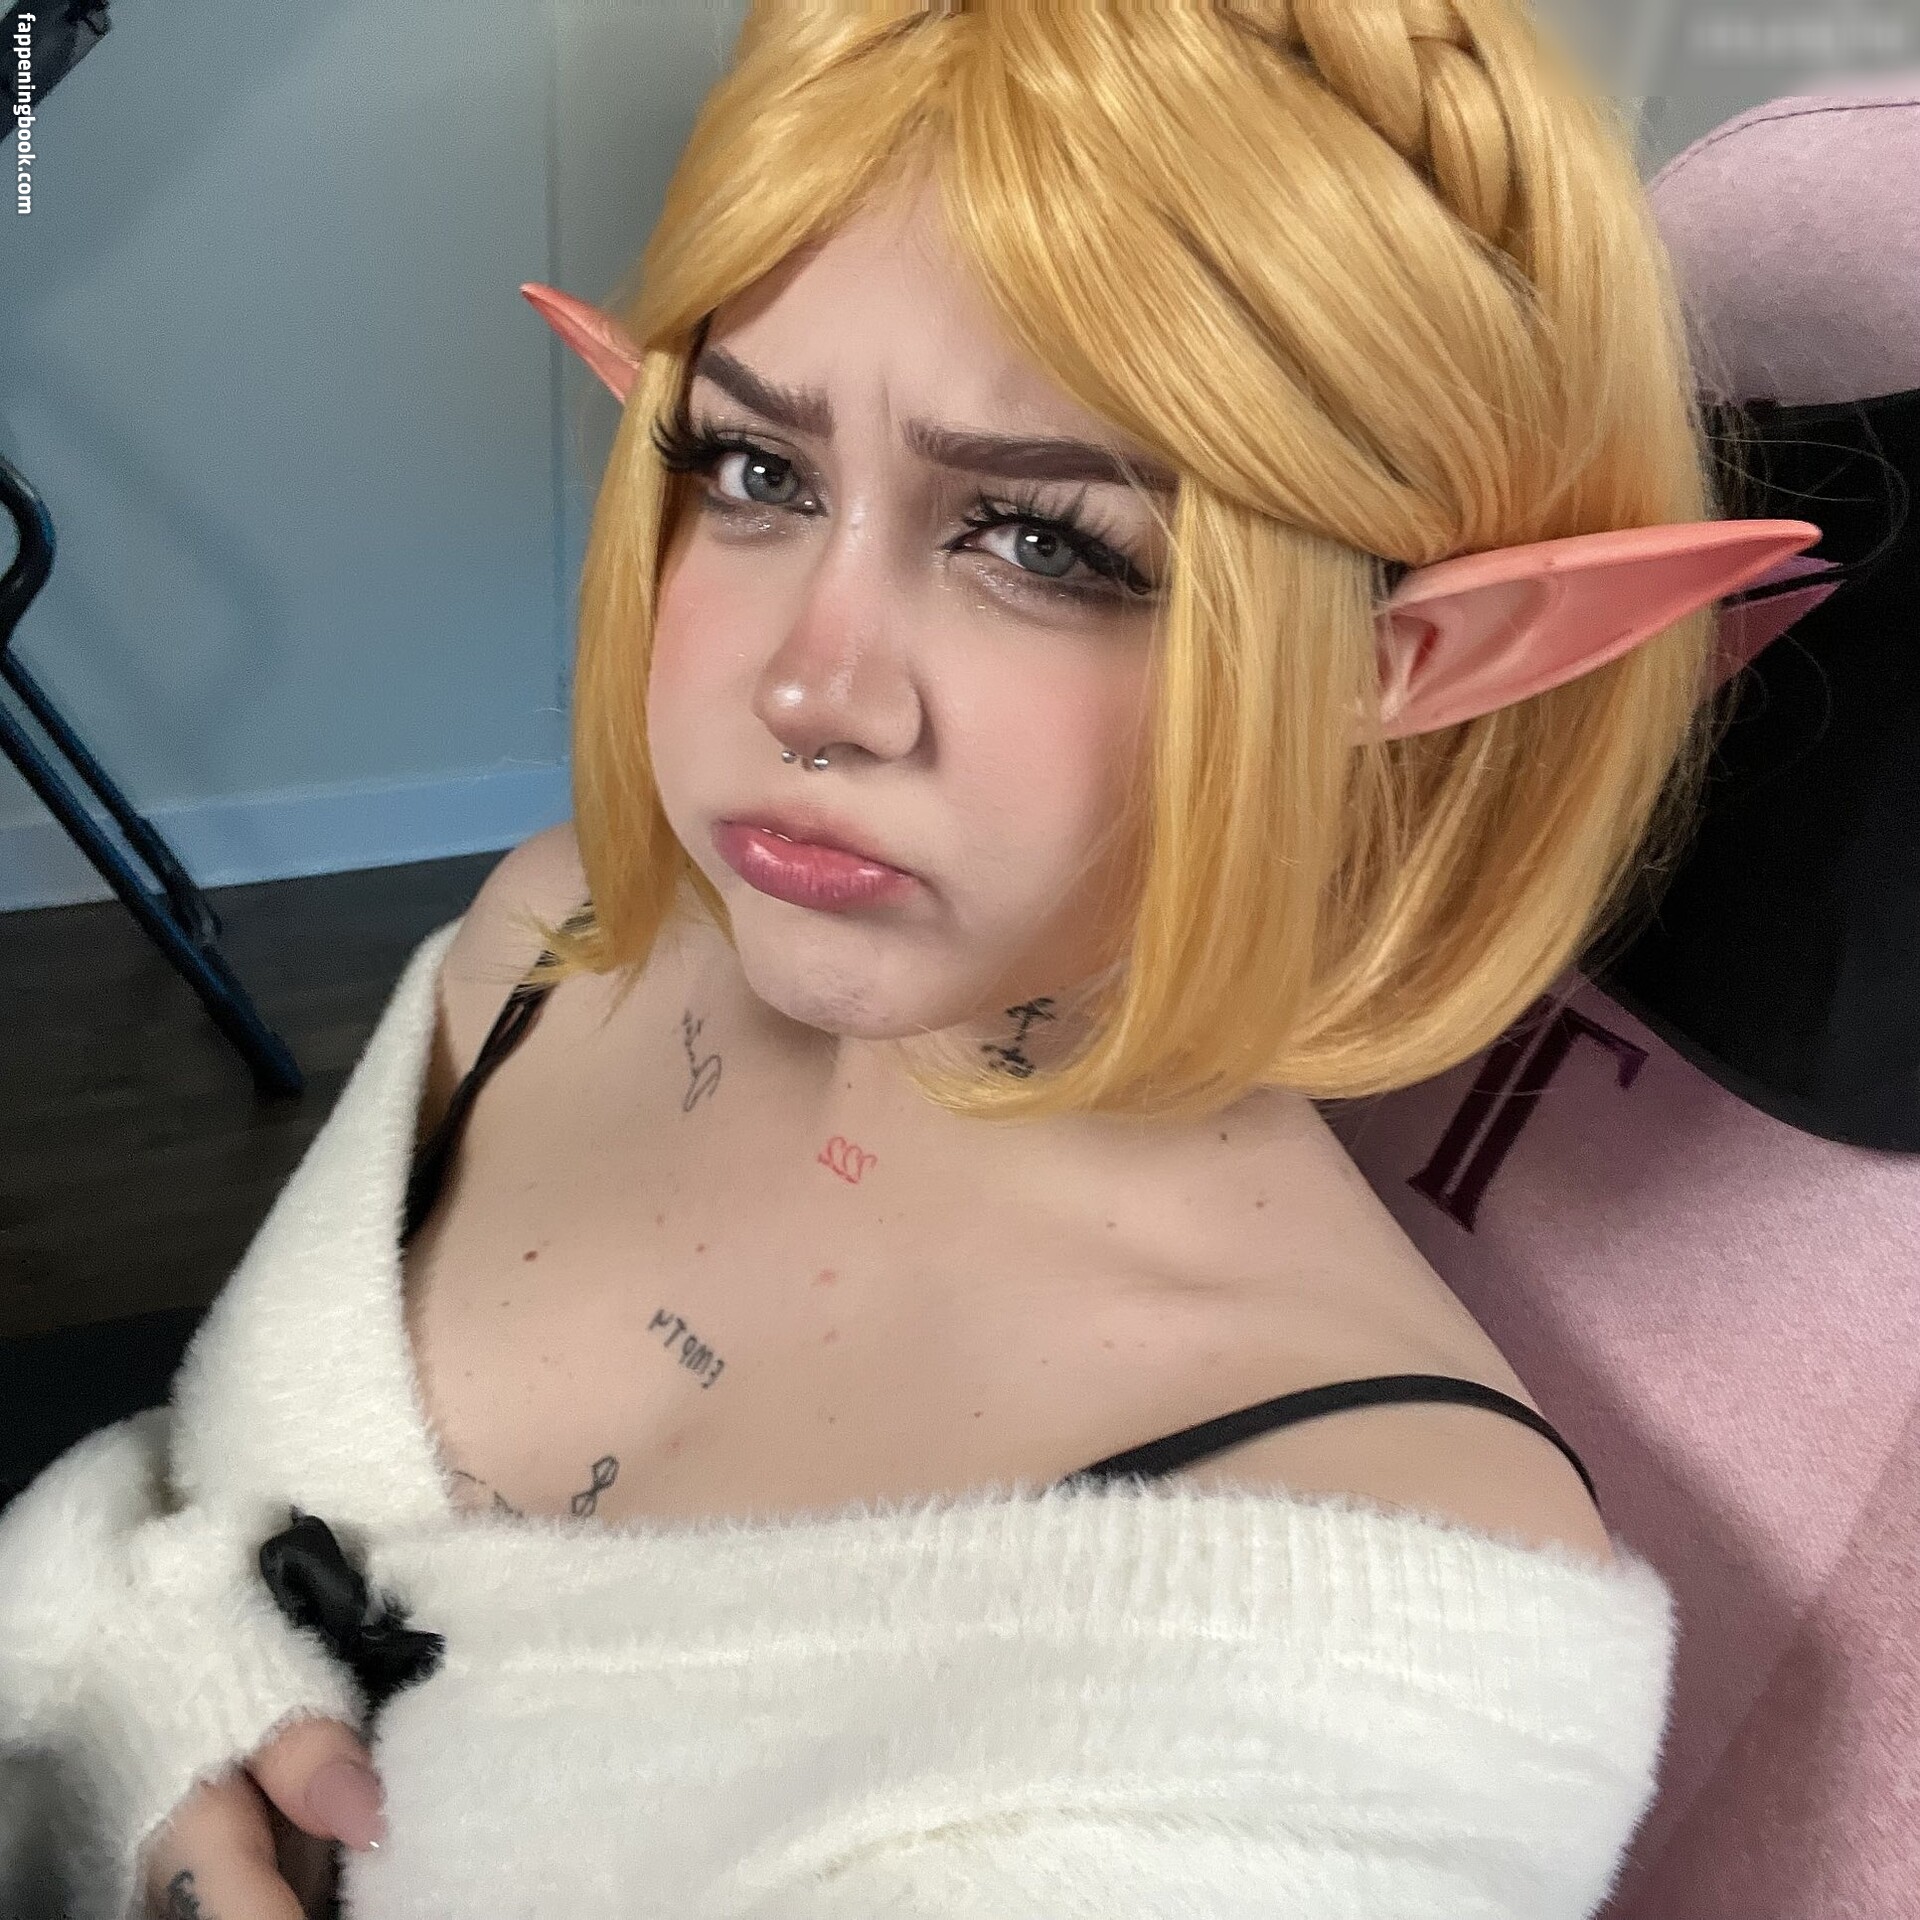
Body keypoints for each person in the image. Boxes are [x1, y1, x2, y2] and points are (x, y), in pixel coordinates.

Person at [0, 4, 1823, 1917]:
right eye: (754, 472)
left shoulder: (1374, 1667)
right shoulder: (552, 939)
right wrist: (150, 1714)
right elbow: (198, 1516)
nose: (812, 687)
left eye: (1042, 540)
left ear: (1411, 656)